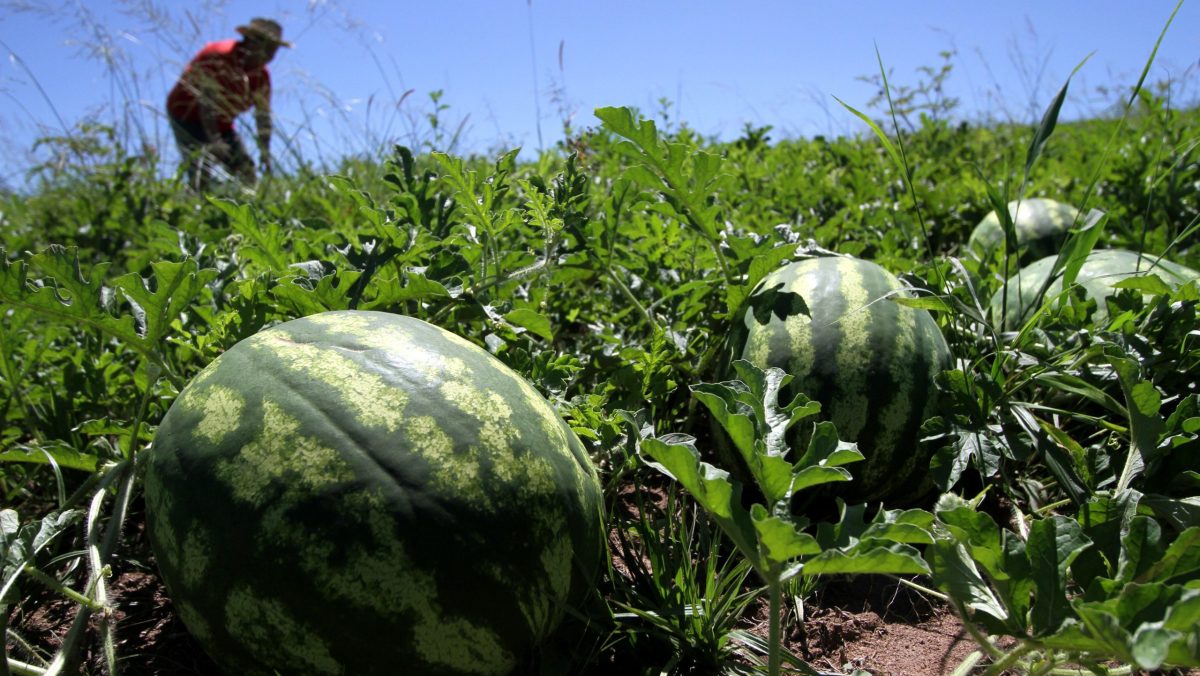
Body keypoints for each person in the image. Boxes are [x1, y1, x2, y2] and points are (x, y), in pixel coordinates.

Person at [166, 18, 290, 190]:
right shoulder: (219, 56)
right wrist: (215, 140)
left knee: (246, 169)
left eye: (274, 50)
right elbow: (206, 103)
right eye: (267, 48)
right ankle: (196, 205)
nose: (270, 56)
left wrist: (265, 153)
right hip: (186, 115)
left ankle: (247, 206)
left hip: (222, 122)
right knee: (201, 167)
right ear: (251, 41)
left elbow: (263, 117)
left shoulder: (262, 77)